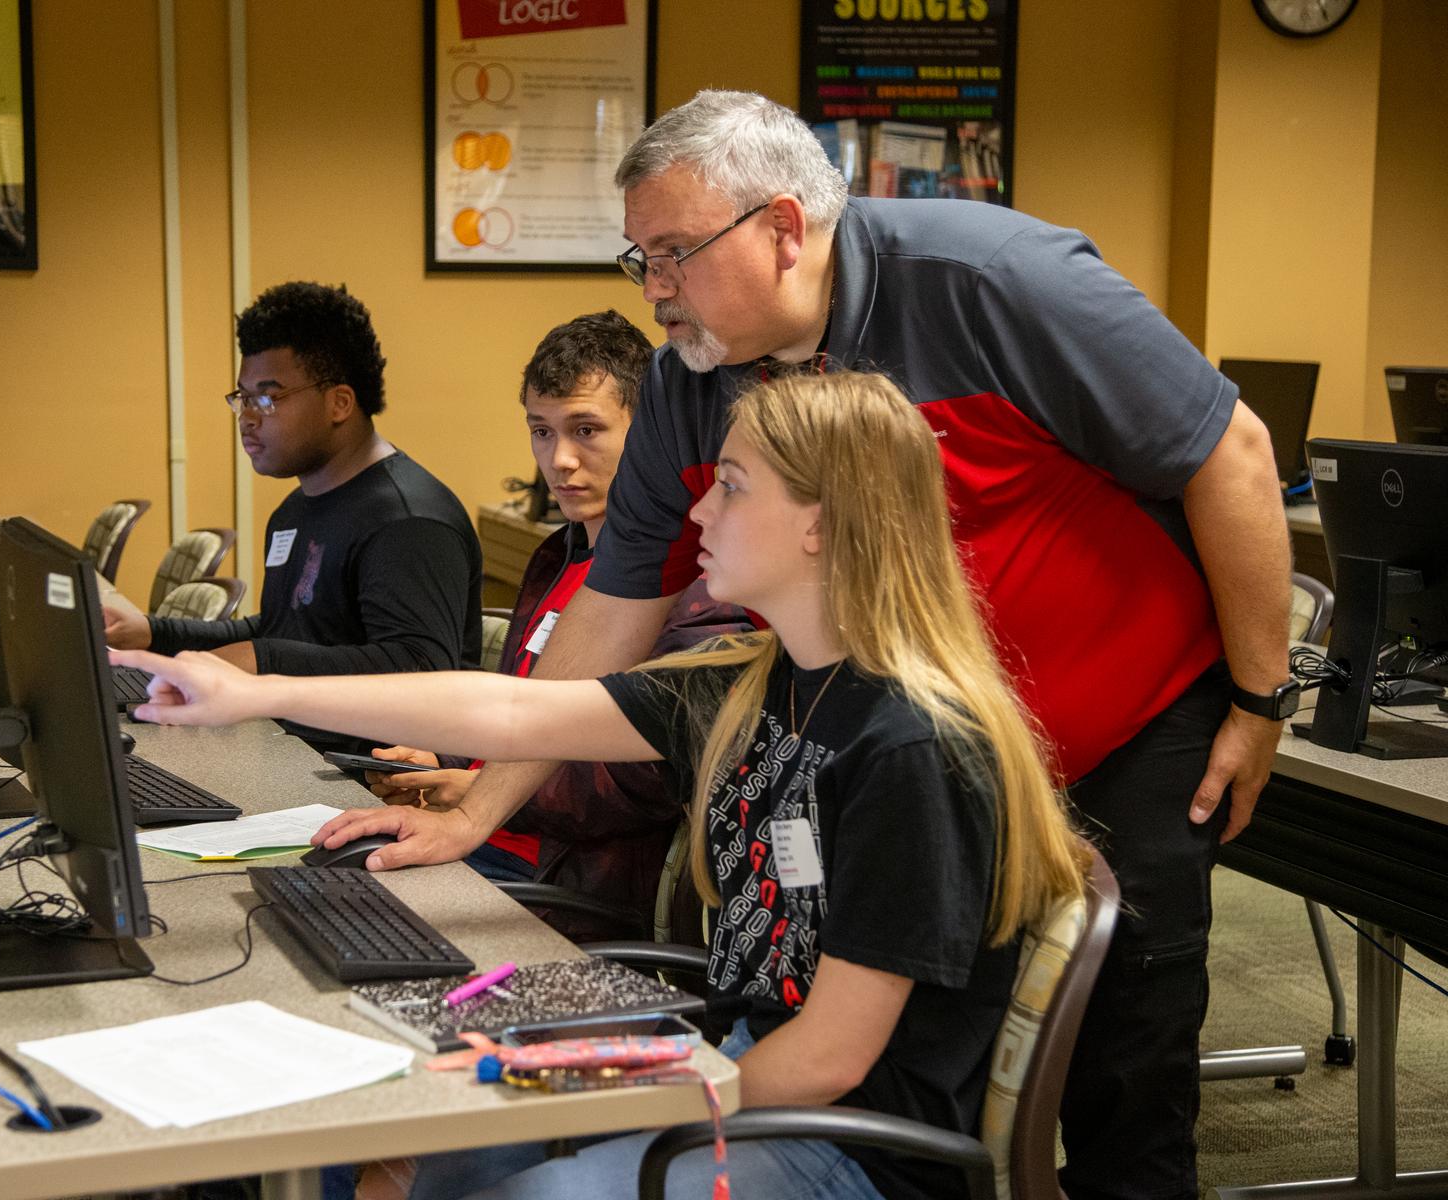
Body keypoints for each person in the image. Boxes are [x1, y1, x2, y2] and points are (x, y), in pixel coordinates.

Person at [312, 91, 1294, 1200]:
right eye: (640, 259)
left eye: (675, 255)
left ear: (782, 228)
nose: (653, 290)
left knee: (1123, 1072)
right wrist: (477, 812)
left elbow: (1233, 454)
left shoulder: (994, 282)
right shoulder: (693, 385)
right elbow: (613, 610)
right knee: (922, 1032)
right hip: (905, 738)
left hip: (1124, 725)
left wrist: (1261, 699)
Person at [114, 372, 1091, 1200]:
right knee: (410, 1129)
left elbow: (829, 1059)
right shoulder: (756, 681)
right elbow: (509, 712)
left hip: (847, 1146)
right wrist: (257, 691)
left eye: (731, 488)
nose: (698, 513)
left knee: (519, 1186)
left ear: (820, 523)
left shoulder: (914, 748)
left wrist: (594, 1080)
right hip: (734, 1060)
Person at [365, 310, 748, 939]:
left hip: (565, 885)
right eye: (541, 432)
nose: (560, 459)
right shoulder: (558, 555)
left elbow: (650, 773)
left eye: (586, 430)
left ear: (648, 432)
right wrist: (442, 758)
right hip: (488, 844)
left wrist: (482, 790)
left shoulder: (693, 581)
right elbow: (527, 706)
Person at [103, 281, 483, 754]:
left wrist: (262, 661)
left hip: (368, 775)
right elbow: (282, 629)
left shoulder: (408, 521)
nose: (247, 418)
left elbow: (422, 669)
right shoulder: (294, 509)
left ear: (339, 403)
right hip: (288, 746)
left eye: (268, 398)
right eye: (242, 398)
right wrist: (153, 632)